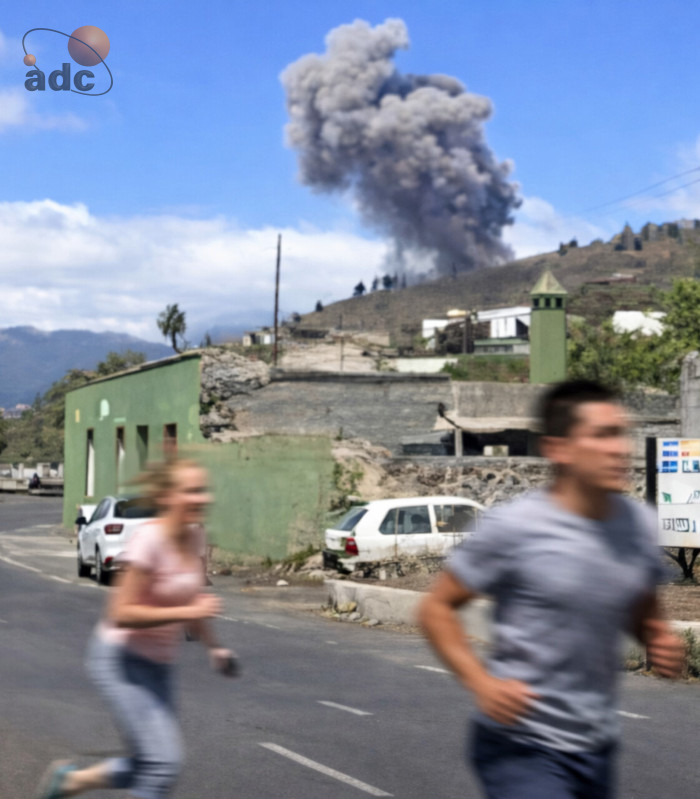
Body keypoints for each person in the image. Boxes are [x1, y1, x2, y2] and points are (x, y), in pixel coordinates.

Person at [419, 379, 684, 799]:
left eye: (621, 434)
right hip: (521, 744)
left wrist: (657, 635)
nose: (620, 449)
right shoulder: (515, 527)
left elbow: (640, 600)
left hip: (595, 746)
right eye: (601, 435)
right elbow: (436, 609)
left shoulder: (638, 525)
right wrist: (482, 684)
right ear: (557, 448)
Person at [36, 458, 236, 799]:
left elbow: (192, 597)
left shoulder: (194, 537)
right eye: (191, 491)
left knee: (153, 761)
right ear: (168, 496)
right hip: (120, 660)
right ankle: (72, 782)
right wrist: (190, 609)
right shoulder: (149, 541)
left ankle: (71, 782)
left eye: (203, 490)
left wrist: (214, 647)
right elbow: (122, 612)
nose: (201, 498)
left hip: (159, 664)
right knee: (161, 764)